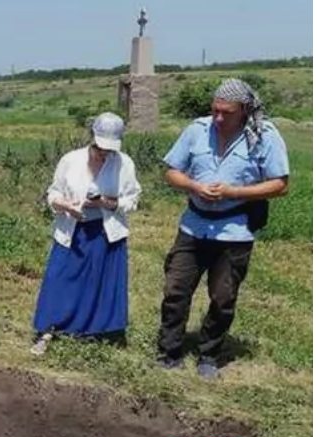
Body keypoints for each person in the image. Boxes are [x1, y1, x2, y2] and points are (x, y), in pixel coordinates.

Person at [155, 79, 290, 379]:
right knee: (175, 290)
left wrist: (233, 193)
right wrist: (193, 185)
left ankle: (209, 355)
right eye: (215, 110)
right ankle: (169, 351)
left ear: (243, 110)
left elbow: (280, 184)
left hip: (235, 231)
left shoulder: (264, 135)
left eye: (225, 112)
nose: (218, 117)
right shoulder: (196, 130)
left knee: (223, 298)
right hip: (193, 225)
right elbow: (171, 171)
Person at [29, 112, 142, 355]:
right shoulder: (70, 160)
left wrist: (107, 203)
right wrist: (64, 205)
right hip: (73, 228)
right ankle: (48, 329)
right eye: (101, 147)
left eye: (109, 149)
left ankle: (91, 332)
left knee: (97, 281)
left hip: (105, 231)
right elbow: (53, 193)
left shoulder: (125, 163)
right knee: (60, 279)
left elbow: (132, 199)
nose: (104, 153)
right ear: (92, 138)